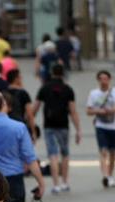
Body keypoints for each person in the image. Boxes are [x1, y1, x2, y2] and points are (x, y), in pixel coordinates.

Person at [33, 64, 82, 193]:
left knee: (52, 155)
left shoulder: (44, 88)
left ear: (52, 72)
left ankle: (56, 184)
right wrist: (78, 129)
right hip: (63, 125)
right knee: (65, 154)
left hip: (49, 125)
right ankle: (65, 182)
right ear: (63, 74)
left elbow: (35, 108)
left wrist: (30, 123)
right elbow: (73, 111)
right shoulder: (68, 89)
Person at [86, 70, 115, 189]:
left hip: (114, 125)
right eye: (101, 79)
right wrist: (99, 111)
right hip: (100, 125)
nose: (104, 81)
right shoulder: (93, 94)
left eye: (106, 79)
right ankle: (106, 176)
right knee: (103, 151)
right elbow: (88, 111)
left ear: (109, 79)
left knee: (112, 152)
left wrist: (112, 110)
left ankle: (111, 175)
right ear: (98, 80)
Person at [5, 69, 34, 137]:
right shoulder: (23, 93)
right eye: (20, 78)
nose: (21, 79)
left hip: (6, 124)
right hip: (19, 124)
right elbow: (30, 114)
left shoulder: (4, 92)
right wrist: (33, 131)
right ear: (16, 79)